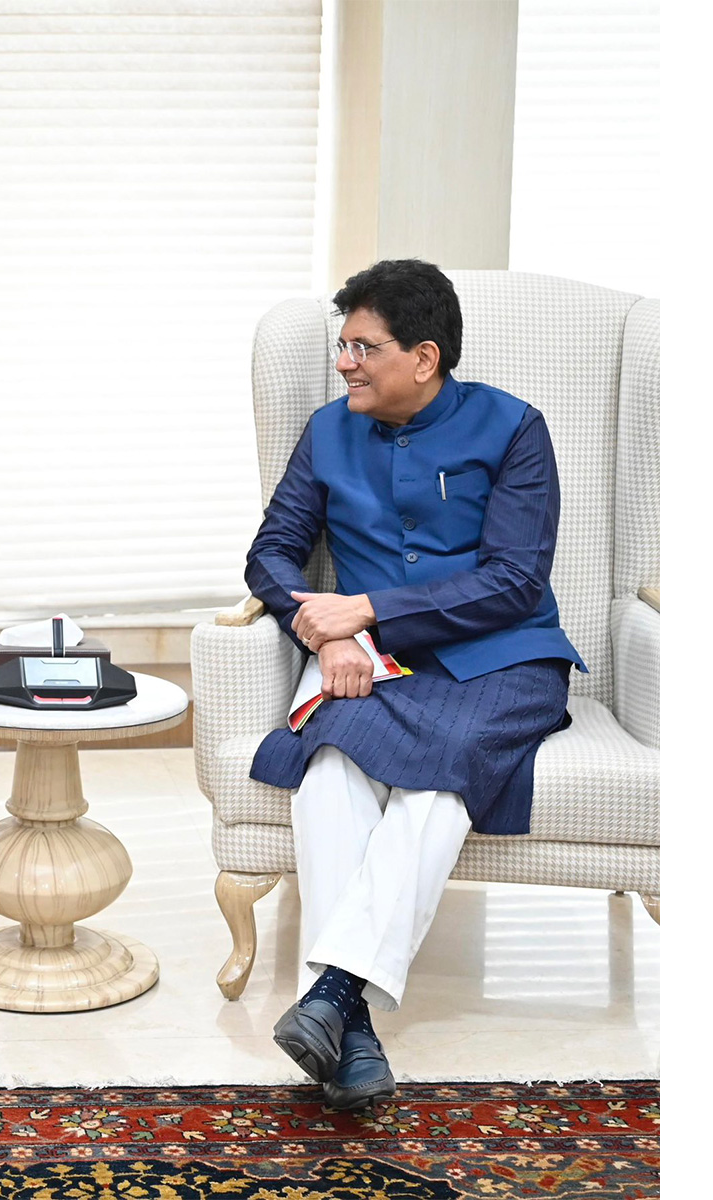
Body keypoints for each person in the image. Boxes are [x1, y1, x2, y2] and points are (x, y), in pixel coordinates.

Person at [244, 258, 583, 1110]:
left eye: (364, 346)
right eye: (342, 344)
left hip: (499, 658)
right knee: (328, 767)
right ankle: (347, 1026)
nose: (345, 362)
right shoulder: (329, 430)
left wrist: (364, 610)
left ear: (424, 357)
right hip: (370, 658)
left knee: (444, 773)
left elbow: (513, 579)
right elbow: (271, 555)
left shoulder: (513, 429)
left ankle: (333, 995)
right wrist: (326, 635)